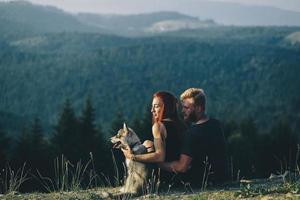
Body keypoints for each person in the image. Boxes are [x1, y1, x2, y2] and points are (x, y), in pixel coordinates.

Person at [159, 88, 229, 187]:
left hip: (201, 183)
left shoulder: (192, 133)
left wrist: (160, 165)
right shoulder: (216, 124)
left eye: (187, 108)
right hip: (222, 178)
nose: (183, 111)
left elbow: (182, 167)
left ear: (199, 108)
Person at [122, 91, 186, 184]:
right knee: (148, 143)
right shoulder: (182, 124)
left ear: (166, 107)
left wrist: (132, 157)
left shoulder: (159, 126)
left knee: (146, 144)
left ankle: (134, 182)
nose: (152, 110)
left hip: (165, 178)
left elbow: (160, 156)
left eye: (156, 106)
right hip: (181, 176)